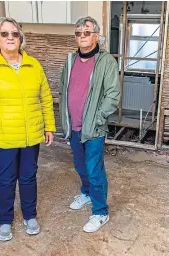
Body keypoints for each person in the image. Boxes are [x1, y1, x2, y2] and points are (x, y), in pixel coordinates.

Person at [0, 17, 56, 241]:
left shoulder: (33, 65)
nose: (10, 38)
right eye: (4, 34)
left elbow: (45, 97)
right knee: (6, 180)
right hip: (2, 137)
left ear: (20, 38)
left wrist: (49, 126)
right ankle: (5, 221)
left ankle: (30, 216)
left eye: (14, 34)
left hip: (30, 136)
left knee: (28, 178)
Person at [60, 16, 120, 233]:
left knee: (94, 170)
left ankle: (100, 212)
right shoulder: (70, 61)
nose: (82, 36)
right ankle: (86, 193)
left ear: (96, 35)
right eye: (78, 32)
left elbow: (112, 95)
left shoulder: (106, 62)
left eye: (86, 32)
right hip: (73, 126)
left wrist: (98, 118)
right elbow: (63, 90)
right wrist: (63, 120)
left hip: (93, 128)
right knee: (79, 165)